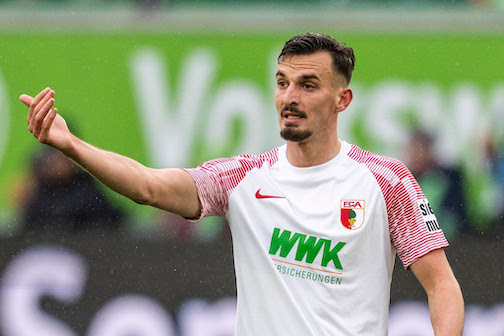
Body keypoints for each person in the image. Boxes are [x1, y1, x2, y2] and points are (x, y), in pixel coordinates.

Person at [19, 33, 464, 335]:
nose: (290, 97)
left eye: (309, 85)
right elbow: (149, 187)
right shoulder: (242, 177)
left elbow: (440, 284)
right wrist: (72, 145)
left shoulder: (385, 180)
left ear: (342, 99)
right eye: (283, 83)